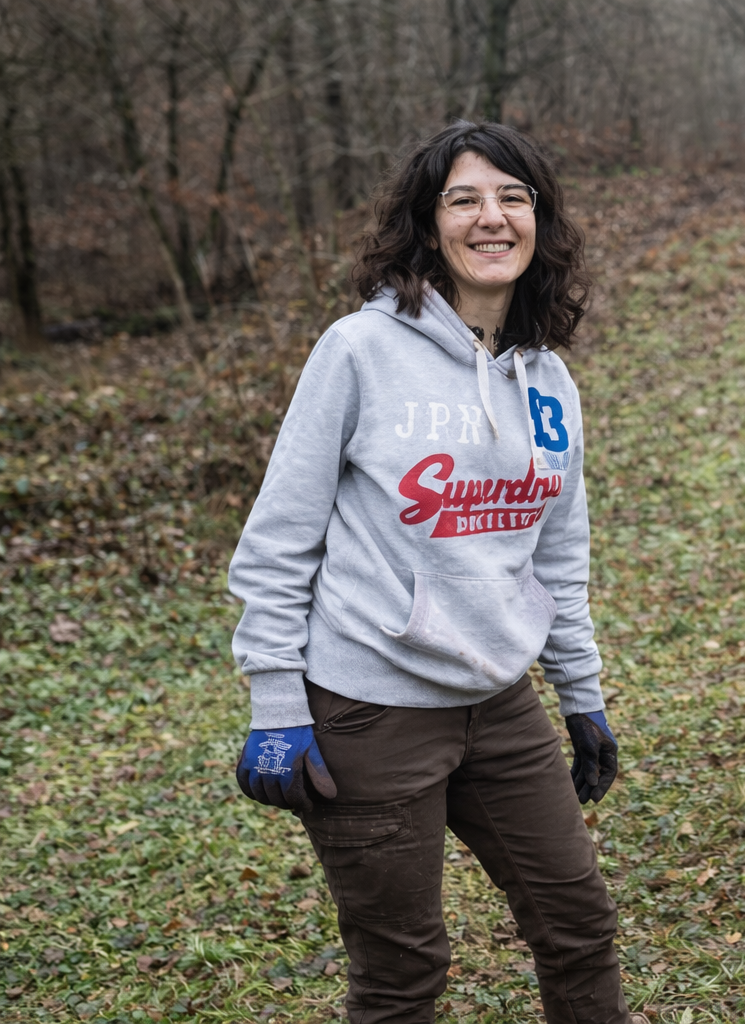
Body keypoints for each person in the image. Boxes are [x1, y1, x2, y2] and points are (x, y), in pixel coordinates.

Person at [226, 120, 638, 1024]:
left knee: (579, 926)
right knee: (402, 977)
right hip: (369, 712)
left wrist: (582, 693)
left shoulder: (549, 383)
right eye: (464, 199)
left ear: (540, 224)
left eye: (513, 198)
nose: (492, 219)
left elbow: (559, 557)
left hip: (500, 702)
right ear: (428, 225)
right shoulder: (358, 352)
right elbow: (278, 539)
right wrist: (275, 702)